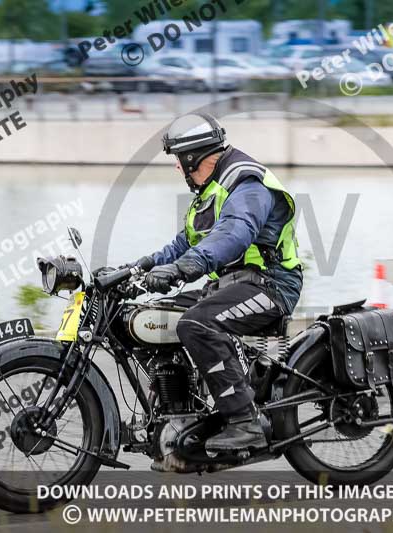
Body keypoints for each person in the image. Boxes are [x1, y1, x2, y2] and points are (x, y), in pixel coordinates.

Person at [130, 112, 303, 453]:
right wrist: (138, 268)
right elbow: (184, 244)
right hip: (230, 284)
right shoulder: (211, 191)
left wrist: (185, 268)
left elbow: (234, 234)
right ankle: (183, 410)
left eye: (179, 162)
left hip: (270, 284)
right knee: (156, 314)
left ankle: (244, 422)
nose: (178, 170)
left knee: (197, 324)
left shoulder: (246, 182)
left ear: (193, 157)